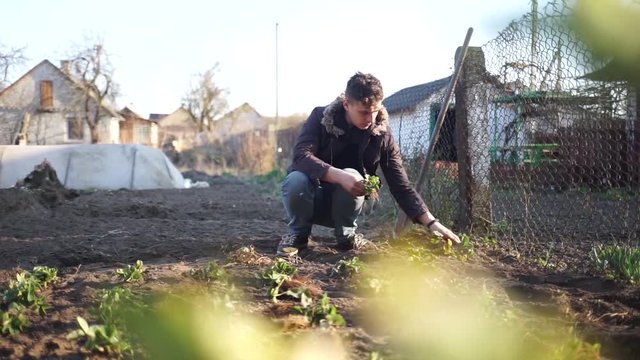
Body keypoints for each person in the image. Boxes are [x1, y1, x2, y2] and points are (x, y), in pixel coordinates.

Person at [278, 72, 460, 255]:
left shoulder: (382, 134)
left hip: (352, 204)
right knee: (296, 180)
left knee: (355, 175)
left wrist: (431, 222)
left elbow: (401, 186)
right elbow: (301, 156)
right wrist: (340, 177)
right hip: (311, 200)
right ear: (346, 104)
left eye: (374, 112)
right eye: (364, 112)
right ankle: (298, 236)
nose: (370, 119)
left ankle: (347, 236)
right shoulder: (321, 118)